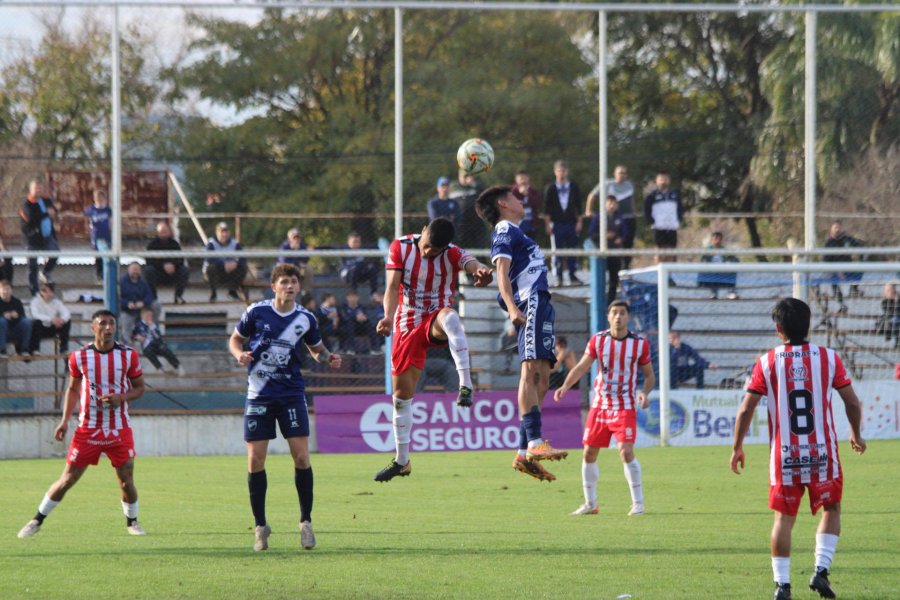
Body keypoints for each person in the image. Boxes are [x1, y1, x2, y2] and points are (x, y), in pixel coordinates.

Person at [730, 298, 866, 600]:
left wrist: (737, 446)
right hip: (823, 453)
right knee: (831, 509)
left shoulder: (766, 361)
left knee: (783, 519)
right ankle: (820, 571)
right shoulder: (829, 358)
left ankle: (783, 585)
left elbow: (745, 410)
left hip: (784, 456)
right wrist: (856, 433)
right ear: (808, 325)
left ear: (779, 329)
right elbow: (852, 402)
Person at [228, 263, 342, 552]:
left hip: (291, 394)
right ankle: (260, 526)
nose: (289, 286)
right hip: (259, 395)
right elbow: (234, 339)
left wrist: (328, 358)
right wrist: (239, 354)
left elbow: (316, 350)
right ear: (274, 286)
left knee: (302, 458)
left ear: (298, 287)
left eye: (293, 282)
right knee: (255, 461)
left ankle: (305, 522)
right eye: (284, 282)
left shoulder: (305, 318)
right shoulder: (257, 312)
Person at [373, 217, 493, 482]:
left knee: (450, 318)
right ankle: (402, 461)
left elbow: (473, 263)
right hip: (406, 322)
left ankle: (466, 385)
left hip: (435, 317)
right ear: (423, 231)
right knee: (401, 398)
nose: (428, 253)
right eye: (427, 246)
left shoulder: (452, 253)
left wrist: (482, 271)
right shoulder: (400, 247)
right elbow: (392, 287)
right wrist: (387, 317)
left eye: (435, 251)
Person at [17, 309, 147, 539]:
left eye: (112, 324)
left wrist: (121, 397)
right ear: (93, 327)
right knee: (68, 479)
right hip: (87, 429)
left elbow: (139, 388)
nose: (108, 328)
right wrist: (65, 421)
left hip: (119, 428)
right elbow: (73, 389)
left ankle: (132, 522)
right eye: (103, 324)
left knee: (126, 481)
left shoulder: (128, 355)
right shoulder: (79, 357)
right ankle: (36, 520)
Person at [476, 186, 569, 482]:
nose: (521, 201)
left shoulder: (519, 231)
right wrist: (514, 308)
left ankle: (522, 453)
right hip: (530, 301)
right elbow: (501, 271)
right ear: (503, 204)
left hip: (540, 300)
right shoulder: (504, 228)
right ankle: (533, 442)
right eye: (516, 197)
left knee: (542, 377)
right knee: (530, 372)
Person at [553, 300, 655, 516]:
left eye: (622, 313)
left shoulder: (639, 344)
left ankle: (638, 503)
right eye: (614, 313)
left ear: (628, 317)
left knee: (626, 452)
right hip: (600, 406)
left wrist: (645, 393)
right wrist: (565, 386)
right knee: (589, 453)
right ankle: (591, 504)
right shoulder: (598, 340)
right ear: (608, 317)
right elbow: (581, 367)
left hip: (625, 405)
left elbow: (649, 376)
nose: (618, 317)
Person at [586, 165, 637, 268]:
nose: (621, 175)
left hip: (628, 218)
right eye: (619, 173)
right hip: (612, 219)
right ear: (615, 174)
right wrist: (588, 210)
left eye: (623, 173)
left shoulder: (629, 185)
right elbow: (592, 195)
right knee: (611, 242)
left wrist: (634, 212)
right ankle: (610, 269)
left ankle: (626, 267)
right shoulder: (607, 184)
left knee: (628, 243)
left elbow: (631, 200)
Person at [543, 160, 584, 286]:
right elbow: (546, 208)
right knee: (557, 251)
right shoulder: (550, 188)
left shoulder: (573, 186)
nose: (562, 173)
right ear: (555, 172)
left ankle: (572, 275)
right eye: (559, 170)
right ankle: (559, 277)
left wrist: (579, 222)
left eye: (564, 170)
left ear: (567, 171)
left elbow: (579, 206)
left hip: (571, 223)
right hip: (557, 224)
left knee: (572, 249)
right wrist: (547, 224)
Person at [20, 180, 60, 296]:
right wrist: (47, 213)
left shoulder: (46, 200)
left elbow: (53, 210)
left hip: (47, 236)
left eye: (41, 189)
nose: (39, 191)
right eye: (36, 188)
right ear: (31, 190)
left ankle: (46, 272)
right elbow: (32, 218)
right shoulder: (27, 203)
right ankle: (34, 292)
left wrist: (53, 210)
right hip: (32, 238)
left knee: (55, 253)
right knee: (33, 266)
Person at [144, 221, 190, 305]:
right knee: (148, 270)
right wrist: (163, 265)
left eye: (165, 231)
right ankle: (153, 298)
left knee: (184, 270)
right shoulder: (152, 245)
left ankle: (178, 296)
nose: (164, 234)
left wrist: (173, 265)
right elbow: (149, 260)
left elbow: (180, 259)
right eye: (161, 232)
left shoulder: (175, 244)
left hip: (172, 274)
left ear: (169, 232)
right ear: (157, 233)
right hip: (158, 275)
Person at [643, 171, 684, 263]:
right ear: (657, 181)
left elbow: (680, 208)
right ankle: (659, 273)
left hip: (671, 226)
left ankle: (669, 275)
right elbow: (646, 209)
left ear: (669, 181)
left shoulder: (674, 194)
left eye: (665, 179)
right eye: (661, 179)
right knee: (659, 250)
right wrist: (651, 221)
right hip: (659, 226)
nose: (663, 182)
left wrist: (679, 219)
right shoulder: (652, 195)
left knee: (671, 251)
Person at [203, 221, 250, 302]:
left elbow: (243, 257)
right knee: (211, 268)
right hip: (217, 272)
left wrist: (236, 263)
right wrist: (223, 264)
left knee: (243, 267)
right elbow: (209, 259)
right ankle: (213, 293)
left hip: (230, 271)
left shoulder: (234, 243)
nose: (224, 234)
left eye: (226, 232)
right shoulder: (211, 243)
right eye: (222, 232)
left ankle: (232, 291)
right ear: (217, 232)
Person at [132, 306, 183, 375]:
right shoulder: (138, 325)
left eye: (151, 316)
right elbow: (133, 335)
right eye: (147, 316)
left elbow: (158, 337)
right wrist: (139, 337)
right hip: (147, 345)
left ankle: (177, 366)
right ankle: (160, 368)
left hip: (157, 344)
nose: (149, 317)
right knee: (148, 352)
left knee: (165, 349)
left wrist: (152, 328)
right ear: (142, 316)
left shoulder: (154, 324)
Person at [823, 221, 864, 307]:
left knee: (861, 269)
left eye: (839, 227)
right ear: (831, 230)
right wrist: (837, 271)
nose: (837, 230)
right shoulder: (829, 244)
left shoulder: (847, 240)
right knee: (832, 280)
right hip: (835, 271)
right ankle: (841, 304)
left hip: (847, 269)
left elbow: (860, 247)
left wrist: (860, 260)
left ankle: (854, 289)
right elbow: (826, 261)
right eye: (835, 228)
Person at [119, 262, 161, 344]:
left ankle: (154, 337)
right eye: (133, 270)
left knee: (156, 305)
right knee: (126, 324)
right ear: (128, 270)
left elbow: (150, 296)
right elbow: (118, 297)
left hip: (141, 310)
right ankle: (128, 345)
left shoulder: (143, 282)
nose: (135, 272)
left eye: (137, 270)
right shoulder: (121, 282)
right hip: (127, 310)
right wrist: (127, 304)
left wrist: (143, 303)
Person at [29, 281, 71, 354]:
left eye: (51, 292)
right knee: (36, 322)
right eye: (46, 292)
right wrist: (51, 319)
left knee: (67, 321)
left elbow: (66, 313)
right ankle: (36, 349)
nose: (49, 294)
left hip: (52, 328)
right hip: (40, 329)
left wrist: (62, 320)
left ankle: (64, 349)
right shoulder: (35, 301)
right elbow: (35, 314)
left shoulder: (57, 302)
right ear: (41, 292)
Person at [698, 231, 739, 299]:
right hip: (711, 270)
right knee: (712, 274)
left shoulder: (724, 249)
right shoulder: (708, 249)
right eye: (715, 239)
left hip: (722, 269)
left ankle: (731, 292)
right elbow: (703, 260)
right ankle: (714, 293)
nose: (717, 241)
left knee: (732, 271)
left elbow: (733, 258)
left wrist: (730, 261)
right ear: (712, 240)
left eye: (719, 239)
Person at [338, 289, 379, 354]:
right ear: (347, 298)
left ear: (358, 297)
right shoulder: (343, 307)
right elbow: (345, 318)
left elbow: (366, 316)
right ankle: (350, 349)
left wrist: (364, 318)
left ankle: (375, 349)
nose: (352, 299)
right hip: (348, 328)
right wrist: (355, 317)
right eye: (350, 297)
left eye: (354, 297)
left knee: (369, 325)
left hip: (360, 327)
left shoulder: (361, 307)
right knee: (350, 324)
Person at [0, 279, 33, 358]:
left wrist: (17, 316)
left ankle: (24, 349)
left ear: (11, 290)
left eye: (7, 289)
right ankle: (2, 350)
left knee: (27, 321)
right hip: (2, 332)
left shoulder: (17, 302)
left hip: (14, 331)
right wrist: (3, 315)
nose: (5, 291)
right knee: (2, 321)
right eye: (3, 289)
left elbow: (23, 316)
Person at [84, 189, 112, 282]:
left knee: (107, 254)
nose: (100, 201)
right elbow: (85, 216)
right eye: (97, 199)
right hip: (96, 236)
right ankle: (99, 274)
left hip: (106, 235)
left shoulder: (107, 209)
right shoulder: (92, 209)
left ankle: (107, 274)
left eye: (101, 199)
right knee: (98, 256)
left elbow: (111, 218)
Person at [603, 195, 627, 300]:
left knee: (614, 280)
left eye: (614, 203)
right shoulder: (600, 217)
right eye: (609, 203)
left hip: (615, 253)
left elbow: (625, 232)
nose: (612, 206)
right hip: (603, 254)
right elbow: (591, 233)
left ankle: (610, 302)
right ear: (605, 204)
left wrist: (620, 238)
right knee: (601, 279)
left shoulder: (620, 217)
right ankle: (600, 300)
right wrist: (604, 236)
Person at [511, 169, 543, 240]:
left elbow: (538, 204)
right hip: (517, 223)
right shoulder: (512, 191)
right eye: (521, 178)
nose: (523, 181)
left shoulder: (533, 191)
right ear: (516, 180)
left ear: (528, 179)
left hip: (531, 223)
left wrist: (528, 195)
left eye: (524, 178)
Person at [874, 283, 900, 349]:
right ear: (885, 293)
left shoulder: (898, 300)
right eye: (887, 291)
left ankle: (897, 341)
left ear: (895, 291)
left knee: (895, 322)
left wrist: (897, 301)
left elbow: (897, 311)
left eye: (891, 290)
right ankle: (888, 333)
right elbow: (887, 311)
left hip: (897, 319)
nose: (889, 292)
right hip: (889, 319)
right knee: (887, 320)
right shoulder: (884, 301)